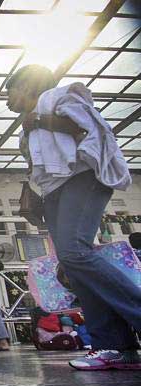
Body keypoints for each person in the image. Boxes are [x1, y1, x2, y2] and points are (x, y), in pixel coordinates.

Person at [7, 64, 140, 370]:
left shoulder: (60, 97)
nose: (7, 100)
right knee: (73, 264)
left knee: (75, 252)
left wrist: (39, 120)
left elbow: (88, 130)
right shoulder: (28, 122)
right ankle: (114, 346)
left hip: (82, 179)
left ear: (27, 85)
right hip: (56, 191)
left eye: (10, 91)